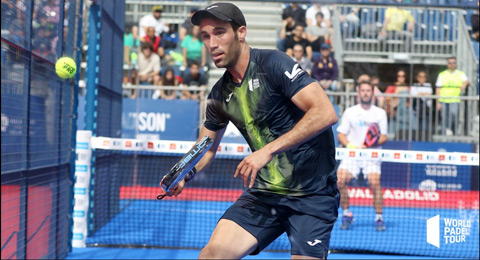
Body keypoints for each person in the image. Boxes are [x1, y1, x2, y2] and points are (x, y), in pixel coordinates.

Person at [161, 3, 339, 259]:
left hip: (312, 193)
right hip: (265, 194)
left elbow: (325, 113)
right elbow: (206, 146)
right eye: (206, 36)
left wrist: (267, 151)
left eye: (220, 32)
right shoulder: (219, 95)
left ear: (241, 33)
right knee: (211, 256)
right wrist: (183, 173)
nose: (212, 43)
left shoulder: (273, 63)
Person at [336, 81, 388, 232]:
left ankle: (379, 217)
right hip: (352, 154)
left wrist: (370, 144)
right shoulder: (350, 112)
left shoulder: (380, 113)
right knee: (339, 181)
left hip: (371, 155)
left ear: (372, 93)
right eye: (363, 90)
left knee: (374, 183)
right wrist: (350, 145)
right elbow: (341, 134)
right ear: (358, 92)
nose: (365, 93)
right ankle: (346, 214)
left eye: (368, 90)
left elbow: (384, 136)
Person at [435, 57, 470, 136]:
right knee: (443, 117)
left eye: (453, 62)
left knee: (453, 115)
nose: (452, 64)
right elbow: (438, 88)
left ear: (456, 64)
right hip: (443, 99)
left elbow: (467, 80)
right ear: (447, 64)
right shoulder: (442, 74)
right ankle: (444, 135)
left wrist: (464, 84)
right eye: (450, 63)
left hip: (454, 99)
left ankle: (449, 130)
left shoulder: (460, 73)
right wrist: (438, 102)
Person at [411, 71, 433, 138]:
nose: (422, 78)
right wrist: (424, 94)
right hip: (416, 109)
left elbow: (429, 94)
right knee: (416, 128)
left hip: (425, 110)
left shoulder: (428, 85)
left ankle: (424, 142)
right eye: (420, 76)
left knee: (424, 128)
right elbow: (414, 94)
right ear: (417, 78)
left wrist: (420, 93)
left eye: (423, 77)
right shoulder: (414, 85)